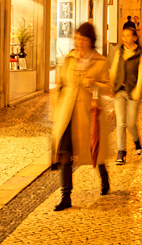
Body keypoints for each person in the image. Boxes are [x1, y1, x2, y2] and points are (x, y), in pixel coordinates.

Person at [51, 22, 110, 212]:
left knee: (94, 151)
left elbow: (109, 87)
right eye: (76, 39)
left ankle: (104, 177)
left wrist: (94, 83)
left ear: (90, 41)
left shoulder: (100, 61)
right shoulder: (69, 58)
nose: (79, 43)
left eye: (83, 39)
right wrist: (56, 106)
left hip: (88, 114)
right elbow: (60, 84)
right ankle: (66, 195)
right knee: (64, 154)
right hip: (67, 114)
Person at [109, 27, 142, 165]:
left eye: (128, 36)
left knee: (130, 123)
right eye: (123, 36)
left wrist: (137, 90)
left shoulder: (140, 53)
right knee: (121, 123)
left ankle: (136, 141)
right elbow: (114, 69)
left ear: (135, 38)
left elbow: (141, 73)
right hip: (119, 90)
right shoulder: (119, 50)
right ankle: (121, 152)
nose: (125, 39)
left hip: (132, 91)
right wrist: (111, 84)